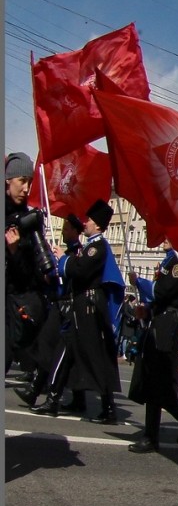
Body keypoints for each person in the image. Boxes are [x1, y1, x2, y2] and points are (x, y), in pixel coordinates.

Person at [46, 199, 125, 423]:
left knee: (94, 355)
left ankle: (108, 408)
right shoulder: (91, 246)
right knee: (69, 349)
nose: (86, 223)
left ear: (98, 225)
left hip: (89, 307)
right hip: (81, 306)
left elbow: (80, 270)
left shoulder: (97, 247)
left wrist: (63, 258)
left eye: (89, 220)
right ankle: (53, 398)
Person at [125, 248, 178, 453]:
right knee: (153, 380)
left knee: (157, 378)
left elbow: (162, 291)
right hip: (160, 320)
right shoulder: (170, 260)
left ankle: (152, 436)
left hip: (167, 324)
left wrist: (138, 281)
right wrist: (147, 310)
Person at [6, 153, 58, 395]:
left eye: (29, 182)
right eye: (21, 181)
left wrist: (15, 250)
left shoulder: (27, 223)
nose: (26, 188)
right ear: (7, 180)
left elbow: (28, 276)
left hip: (13, 305)